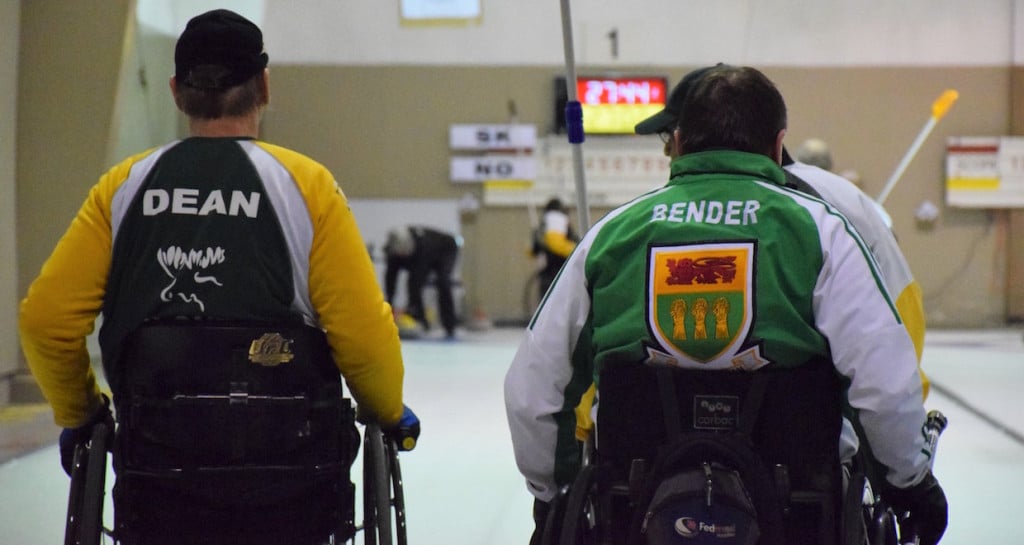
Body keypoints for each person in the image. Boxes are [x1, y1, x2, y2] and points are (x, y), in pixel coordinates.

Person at [19, 9, 418, 544]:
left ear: (177, 92)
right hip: (291, 478)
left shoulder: (122, 188)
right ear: (265, 87)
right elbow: (362, 334)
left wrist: (82, 413)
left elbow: (45, 320)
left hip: (158, 474)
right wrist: (386, 412)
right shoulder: (307, 186)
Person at [504, 64, 946, 545]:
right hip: (798, 515)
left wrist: (555, 494)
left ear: (677, 141)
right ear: (779, 147)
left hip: (633, 511)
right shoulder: (823, 234)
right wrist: (910, 485)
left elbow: (533, 394)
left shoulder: (610, 237)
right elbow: (883, 385)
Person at [637, 65, 931, 468]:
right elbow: (894, 331)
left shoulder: (638, 223)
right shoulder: (838, 210)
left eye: (669, 137)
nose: (666, 151)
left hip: (669, 460)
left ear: (686, 139)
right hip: (806, 447)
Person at [384, 225, 461, 339]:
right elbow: (390, 280)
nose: (402, 256)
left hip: (446, 250)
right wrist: (389, 309)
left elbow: (416, 282)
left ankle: (449, 325)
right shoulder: (393, 253)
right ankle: (420, 320)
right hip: (421, 253)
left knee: (443, 281)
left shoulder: (423, 248)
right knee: (412, 284)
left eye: (404, 254)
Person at [530, 197, 578, 302]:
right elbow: (559, 244)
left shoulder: (543, 226)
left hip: (548, 275)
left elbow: (534, 251)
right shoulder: (557, 222)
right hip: (563, 273)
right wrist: (577, 250)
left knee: (548, 308)